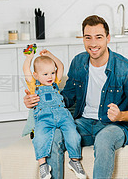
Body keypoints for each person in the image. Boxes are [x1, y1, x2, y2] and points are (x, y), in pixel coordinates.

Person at [24, 15, 128, 179]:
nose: (93, 43)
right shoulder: (79, 62)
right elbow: (66, 98)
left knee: (104, 139)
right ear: (83, 39)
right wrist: (37, 101)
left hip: (114, 126)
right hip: (83, 122)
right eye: (88, 37)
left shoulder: (126, 68)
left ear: (108, 38)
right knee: (54, 137)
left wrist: (121, 115)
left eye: (99, 37)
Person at [23, 49, 86, 179]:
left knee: (73, 134)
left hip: (62, 115)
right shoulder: (34, 86)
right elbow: (26, 70)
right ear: (36, 75)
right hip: (44, 118)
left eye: (52, 72)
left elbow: (60, 66)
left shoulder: (55, 84)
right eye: (45, 74)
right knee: (39, 137)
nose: (50, 76)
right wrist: (29, 58)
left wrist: (50, 55)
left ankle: (74, 161)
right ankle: (43, 165)